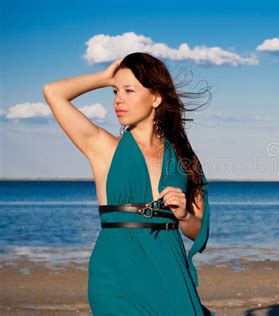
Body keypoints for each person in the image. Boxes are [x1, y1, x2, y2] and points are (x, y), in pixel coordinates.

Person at [43, 52, 214, 315]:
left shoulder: (184, 160)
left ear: (156, 97)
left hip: (168, 269)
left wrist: (184, 214)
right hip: (114, 277)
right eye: (114, 91)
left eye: (129, 90)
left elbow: (196, 231)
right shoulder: (104, 148)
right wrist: (102, 78)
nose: (118, 99)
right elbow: (53, 92)